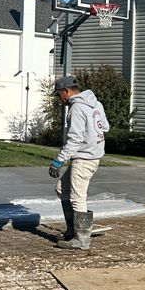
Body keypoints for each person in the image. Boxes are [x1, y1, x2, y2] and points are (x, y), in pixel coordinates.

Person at [48, 76, 110, 250]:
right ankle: (71, 230)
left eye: (59, 94)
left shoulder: (77, 108)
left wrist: (58, 161)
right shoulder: (96, 104)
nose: (60, 99)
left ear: (66, 92)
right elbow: (105, 127)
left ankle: (81, 240)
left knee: (77, 197)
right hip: (92, 156)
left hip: (84, 159)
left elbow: (74, 139)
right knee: (62, 189)